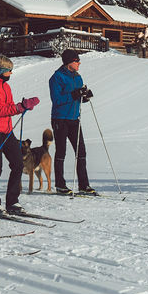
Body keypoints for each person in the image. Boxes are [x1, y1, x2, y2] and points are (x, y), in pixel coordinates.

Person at [0, 55, 40, 217]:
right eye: (9, 71)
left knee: (18, 164)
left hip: (7, 131)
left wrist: (23, 106)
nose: (11, 74)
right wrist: (19, 107)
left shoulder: (5, 87)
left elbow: (8, 108)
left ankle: (12, 202)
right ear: (1, 70)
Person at [48, 49, 94, 195]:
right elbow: (57, 100)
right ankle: (60, 185)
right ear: (69, 63)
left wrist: (84, 97)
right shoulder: (56, 78)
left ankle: (84, 185)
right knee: (61, 151)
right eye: (76, 61)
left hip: (75, 119)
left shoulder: (78, 77)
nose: (79, 63)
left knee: (81, 151)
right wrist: (74, 94)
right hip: (60, 119)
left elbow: (77, 97)